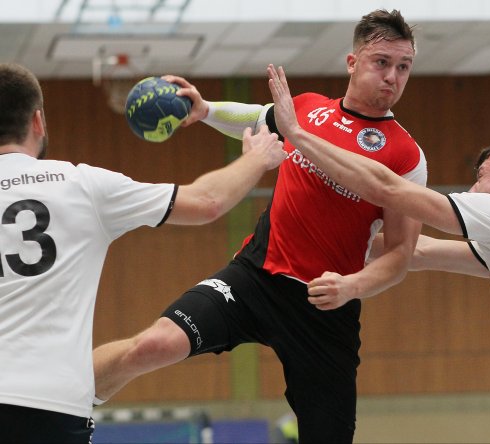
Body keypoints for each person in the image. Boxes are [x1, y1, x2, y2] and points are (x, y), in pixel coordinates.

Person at [93, 9, 426, 443]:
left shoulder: (406, 157)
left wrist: (353, 287)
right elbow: (254, 118)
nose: (392, 77)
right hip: (253, 278)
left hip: (325, 308)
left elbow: (400, 254)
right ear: (352, 62)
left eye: (403, 67)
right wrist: (206, 108)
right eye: (382, 62)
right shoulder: (306, 108)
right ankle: (56, 401)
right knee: (154, 344)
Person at [267, 63, 490, 444]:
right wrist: (325, 231)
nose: (471, 186)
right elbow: (420, 252)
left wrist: (297, 134)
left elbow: (391, 189)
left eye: (481, 176)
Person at [0, 62, 285, 444]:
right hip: (49, 406)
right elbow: (206, 202)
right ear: (38, 121)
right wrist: (257, 158)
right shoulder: (81, 184)